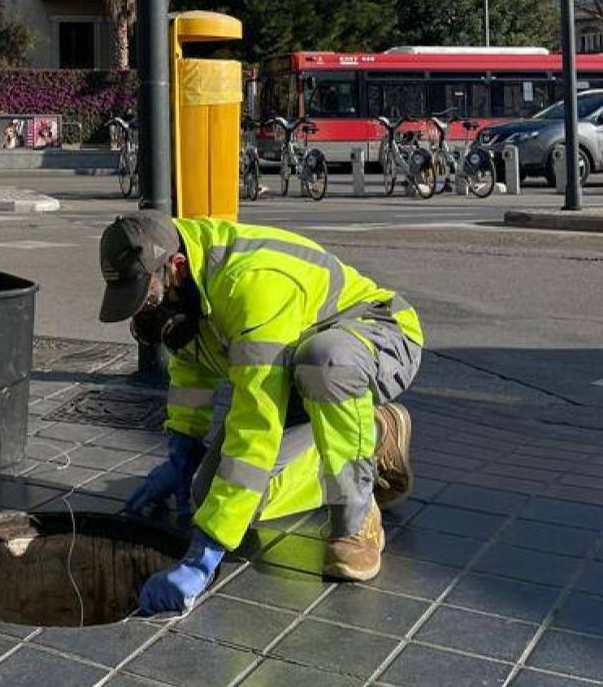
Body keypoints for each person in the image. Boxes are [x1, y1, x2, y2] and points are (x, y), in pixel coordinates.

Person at [97, 212, 422, 615]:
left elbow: (256, 422)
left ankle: (357, 515)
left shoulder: (251, 285)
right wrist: (181, 454)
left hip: (374, 335)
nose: (143, 311)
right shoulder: (189, 287)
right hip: (297, 376)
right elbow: (191, 370)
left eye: (146, 297)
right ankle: (365, 434)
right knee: (215, 497)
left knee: (325, 362)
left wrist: (205, 554)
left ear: (175, 267)